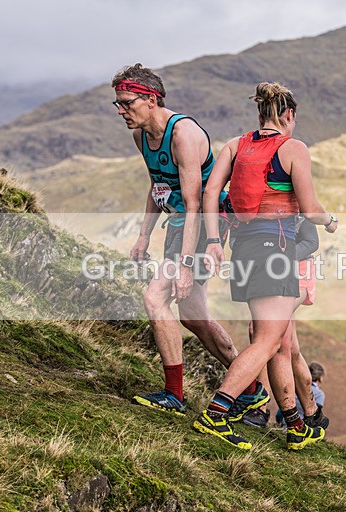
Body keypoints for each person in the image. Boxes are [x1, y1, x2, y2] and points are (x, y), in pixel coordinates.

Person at [111, 64, 267, 419]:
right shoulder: (140, 136)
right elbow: (157, 185)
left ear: (151, 99)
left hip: (201, 222)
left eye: (126, 103)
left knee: (154, 298)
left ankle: (174, 394)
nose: (121, 111)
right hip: (178, 222)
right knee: (194, 317)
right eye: (117, 104)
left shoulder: (183, 134)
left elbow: (195, 203)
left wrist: (183, 266)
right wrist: (143, 236)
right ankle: (252, 389)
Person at [197, 82, 337, 450]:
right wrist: (330, 219)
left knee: (278, 341)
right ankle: (217, 411)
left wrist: (213, 241)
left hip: (243, 248)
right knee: (267, 340)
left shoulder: (234, 145)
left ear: (260, 114)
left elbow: (211, 193)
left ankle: (294, 425)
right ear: (288, 115)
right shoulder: (293, 148)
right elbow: (309, 210)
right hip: (275, 249)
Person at [244, 218, 329, 430]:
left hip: (298, 273)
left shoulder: (291, 192)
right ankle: (312, 413)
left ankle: (261, 409)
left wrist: (281, 258)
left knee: (263, 332)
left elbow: (311, 242)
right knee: (289, 346)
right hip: (271, 272)